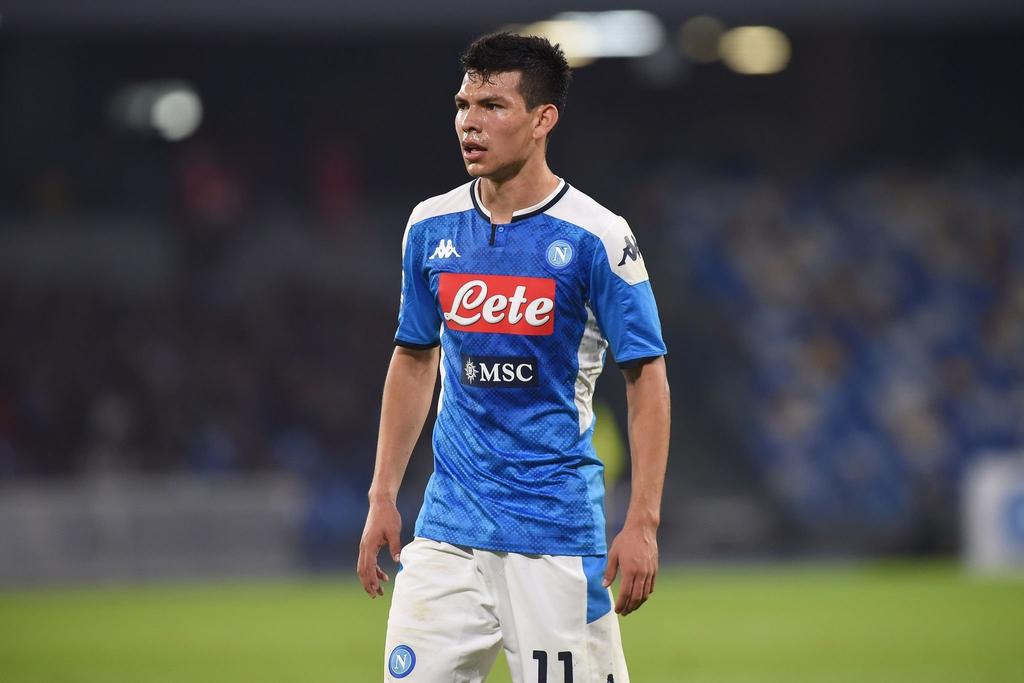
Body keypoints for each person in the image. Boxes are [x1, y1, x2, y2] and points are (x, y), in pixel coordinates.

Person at [357, 32, 670, 683]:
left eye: (493, 106)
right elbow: (414, 358)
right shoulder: (430, 226)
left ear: (542, 119)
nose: (469, 122)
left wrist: (642, 521)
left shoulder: (598, 236)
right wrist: (382, 494)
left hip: (553, 535)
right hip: (447, 531)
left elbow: (646, 376)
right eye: (463, 105)